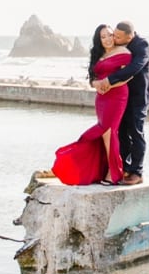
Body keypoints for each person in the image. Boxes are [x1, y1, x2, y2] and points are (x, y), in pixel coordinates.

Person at [52, 25, 131, 186]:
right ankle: (104, 170)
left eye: (110, 35)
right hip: (101, 98)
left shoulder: (124, 52)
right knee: (104, 133)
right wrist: (96, 84)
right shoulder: (98, 54)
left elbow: (127, 77)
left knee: (109, 131)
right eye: (103, 37)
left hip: (117, 95)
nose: (108, 39)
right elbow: (92, 77)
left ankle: (114, 173)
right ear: (99, 39)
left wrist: (109, 85)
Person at [94, 20, 149, 186]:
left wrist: (109, 80)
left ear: (130, 36)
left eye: (118, 37)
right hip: (120, 97)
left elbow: (134, 67)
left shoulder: (142, 45)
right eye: (113, 35)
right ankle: (124, 167)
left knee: (136, 131)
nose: (115, 39)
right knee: (121, 132)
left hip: (138, 97)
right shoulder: (118, 47)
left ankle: (137, 172)